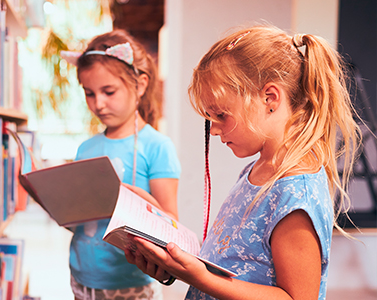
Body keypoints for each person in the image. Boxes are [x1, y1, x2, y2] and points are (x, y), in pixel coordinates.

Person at [123, 24, 362, 300]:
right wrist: (165, 238)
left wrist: (200, 278)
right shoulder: (258, 169)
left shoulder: (296, 193)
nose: (213, 129)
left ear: (269, 98)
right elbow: (234, 259)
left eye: (222, 114)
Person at [60, 29, 182, 300]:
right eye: (89, 93)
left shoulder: (157, 147)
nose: (98, 104)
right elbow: (78, 220)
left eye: (109, 91)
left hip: (130, 282)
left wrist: (144, 204)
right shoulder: (86, 148)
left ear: (139, 85)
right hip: (81, 276)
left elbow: (172, 225)